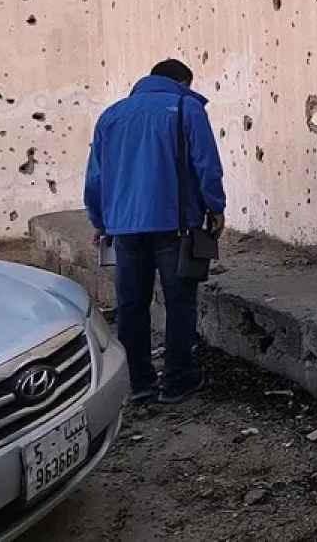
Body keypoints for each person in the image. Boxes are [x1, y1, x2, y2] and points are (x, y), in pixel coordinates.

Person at [84, 59, 226, 404]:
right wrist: (216, 206)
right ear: (183, 81)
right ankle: (178, 380)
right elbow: (205, 164)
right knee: (180, 302)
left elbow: (96, 176)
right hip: (175, 226)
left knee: (131, 304)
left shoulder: (111, 115)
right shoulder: (186, 109)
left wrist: (100, 221)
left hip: (125, 229)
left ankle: (139, 382)